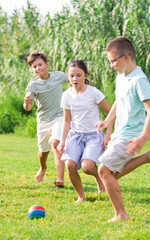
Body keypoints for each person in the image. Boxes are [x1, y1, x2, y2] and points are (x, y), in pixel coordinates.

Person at [95, 36, 150, 222]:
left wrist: (143, 136)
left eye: (113, 61)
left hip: (131, 135)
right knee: (111, 174)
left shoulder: (139, 80)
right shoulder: (121, 77)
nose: (111, 65)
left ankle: (121, 214)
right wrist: (107, 121)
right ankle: (149, 156)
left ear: (126, 57)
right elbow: (119, 101)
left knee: (103, 171)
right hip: (119, 133)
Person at [57, 60, 111, 203]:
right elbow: (67, 120)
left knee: (87, 167)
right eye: (72, 76)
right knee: (70, 165)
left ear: (86, 75)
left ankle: (98, 176)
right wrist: (62, 141)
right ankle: (81, 196)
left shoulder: (93, 92)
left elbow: (110, 113)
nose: (75, 79)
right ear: (68, 77)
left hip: (94, 136)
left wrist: (108, 133)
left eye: (79, 75)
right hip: (75, 136)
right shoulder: (66, 95)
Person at [23, 51, 68, 187]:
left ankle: (60, 179)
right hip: (43, 120)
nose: (38, 68)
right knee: (43, 153)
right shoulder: (33, 85)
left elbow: (73, 80)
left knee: (56, 144)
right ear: (32, 69)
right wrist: (27, 103)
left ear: (47, 65)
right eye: (34, 66)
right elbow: (27, 107)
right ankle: (43, 168)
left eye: (40, 64)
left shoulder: (59, 76)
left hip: (59, 116)